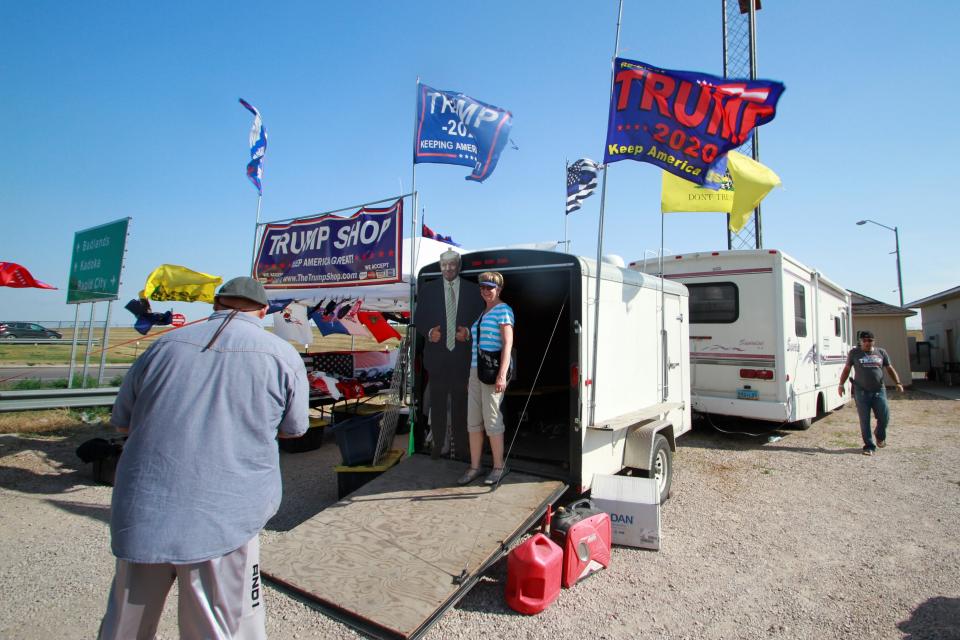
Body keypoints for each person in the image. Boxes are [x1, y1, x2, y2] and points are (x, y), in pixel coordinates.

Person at [99, 277, 309, 640]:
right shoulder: (281, 354)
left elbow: (121, 424)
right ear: (262, 311)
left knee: (125, 627)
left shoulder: (161, 346)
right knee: (219, 628)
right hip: (225, 516)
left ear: (216, 304)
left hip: (143, 510)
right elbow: (294, 429)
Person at [413, 250, 484, 460]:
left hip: (462, 359)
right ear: (440, 266)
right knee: (438, 404)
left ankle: (461, 450)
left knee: (461, 406)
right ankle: (438, 447)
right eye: (444, 265)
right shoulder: (428, 289)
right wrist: (428, 332)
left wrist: (469, 333)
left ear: (458, 265)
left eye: (452, 265)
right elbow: (419, 318)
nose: (448, 269)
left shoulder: (473, 291)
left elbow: (482, 318)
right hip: (437, 360)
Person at [459, 271, 514, 486]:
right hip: (476, 371)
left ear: (498, 289)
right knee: (473, 421)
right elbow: (479, 340)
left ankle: (499, 467)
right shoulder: (483, 313)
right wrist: (466, 333)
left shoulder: (503, 310)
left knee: (492, 420)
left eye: (490, 287)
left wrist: (502, 374)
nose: (485, 291)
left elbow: (507, 344)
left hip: (492, 373)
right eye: (482, 287)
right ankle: (475, 467)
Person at [838, 330, 904, 456]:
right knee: (864, 420)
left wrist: (898, 382)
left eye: (870, 340)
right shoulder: (854, 353)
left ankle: (879, 435)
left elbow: (889, 368)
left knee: (884, 417)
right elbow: (847, 369)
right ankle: (869, 446)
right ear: (860, 342)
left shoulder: (881, 352)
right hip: (861, 392)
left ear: (874, 341)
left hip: (879, 390)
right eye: (865, 341)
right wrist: (841, 384)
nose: (867, 343)